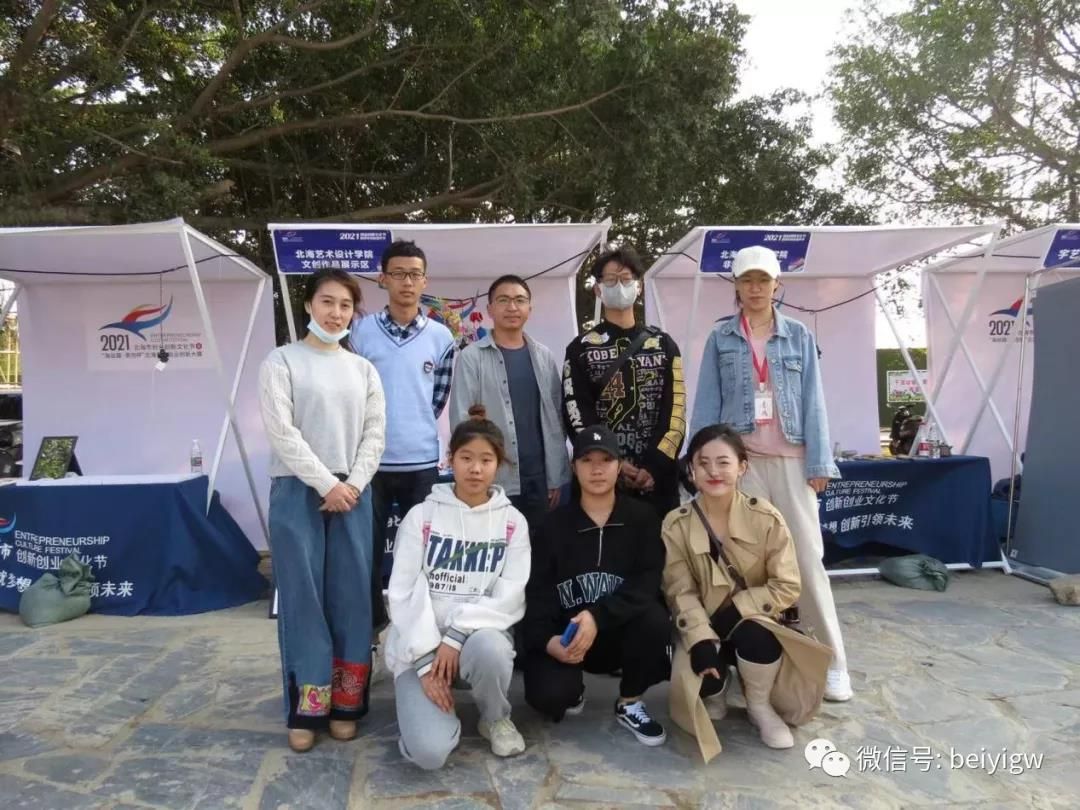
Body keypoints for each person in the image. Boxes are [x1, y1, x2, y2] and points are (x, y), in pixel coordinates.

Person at [690, 245, 852, 702]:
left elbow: (814, 400)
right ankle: (747, 665)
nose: (755, 288)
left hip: (791, 464)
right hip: (740, 466)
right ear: (736, 286)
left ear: (777, 285)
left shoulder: (798, 334)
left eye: (763, 280)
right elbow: (707, 401)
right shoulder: (721, 337)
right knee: (739, 566)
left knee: (806, 561)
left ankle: (833, 662)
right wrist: (700, 461)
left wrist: (818, 462)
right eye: (747, 280)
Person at [258, 268, 386, 753]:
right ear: (309, 304)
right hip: (298, 490)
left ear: (354, 312)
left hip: (354, 491)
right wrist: (326, 483)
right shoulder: (281, 361)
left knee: (352, 596)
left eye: (345, 305)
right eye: (327, 302)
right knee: (303, 597)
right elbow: (281, 431)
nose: (336, 313)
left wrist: (350, 484)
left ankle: (347, 704)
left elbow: (375, 433)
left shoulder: (363, 370)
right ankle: (307, 707)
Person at [662, 424, 831, 762]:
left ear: (742, 467)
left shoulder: (766, 518)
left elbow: (786, 584)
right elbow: (679, 590)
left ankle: (759, 705)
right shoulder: (676, 524)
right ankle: (718, 688)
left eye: (723, 462)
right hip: (704, 623)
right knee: (700, 674)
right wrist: (700, 638)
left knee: (757, 635)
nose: (713, 472)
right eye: (703, 463)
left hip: (752, 622)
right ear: (691, 470)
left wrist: (738, 609)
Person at [386, 407, 531, 769]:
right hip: (419, 646)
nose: (475, 469)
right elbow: (402, 593)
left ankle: (494, 717)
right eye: (466, 458)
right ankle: (430, 713)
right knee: (429, 754)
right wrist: (424, 663)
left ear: (499, 464)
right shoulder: (422, 516)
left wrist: (455, 635)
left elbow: (510, 597)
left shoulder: (512, 522)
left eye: (486, 460)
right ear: (450, 459)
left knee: (492, 648)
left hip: (473, 641)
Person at [521, 424, 671, 747]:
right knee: (549, 697)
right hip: (567, 638)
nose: (597, 469)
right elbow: (537, 593)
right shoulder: (552, 525)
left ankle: (630, 700)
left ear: (619, 466)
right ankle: (571, 689)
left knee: (655, 621)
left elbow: (646, 584)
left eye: (606, 460)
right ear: (574, 468)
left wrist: (596, 616)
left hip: (619, 634)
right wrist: (548, 642)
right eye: (587, 460)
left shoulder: (643, 518)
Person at [350, 240, 456, 634]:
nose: (407, 282)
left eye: (414, 274)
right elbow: (354, 393)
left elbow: (437, 399)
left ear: (425, 280)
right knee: (367, 550)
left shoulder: (441, 337)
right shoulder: (360, 332)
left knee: (422, 551)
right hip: (370, 462)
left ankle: (419, 628)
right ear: (383, 279)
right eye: (398, 274)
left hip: (422, 462)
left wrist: (412, 423)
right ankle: (370, 630)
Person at [562, 246, 686, 518]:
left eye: (626, 279)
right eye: (610, 280)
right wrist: (612, 462)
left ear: (638, 287)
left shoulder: (664, 344)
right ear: (598, 290)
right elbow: (576, 413)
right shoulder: (580, 348)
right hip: (602, 478)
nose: (619, 286)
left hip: (658, 480)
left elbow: (675, 412)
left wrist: (654, 466)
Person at [449, 274, 570, 534]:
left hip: (540, 479)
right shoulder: (472, 357)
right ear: (490, 309)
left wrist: (556, 475)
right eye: (503, 300)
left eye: (519, 300)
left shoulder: (544, 356)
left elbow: (556, 419)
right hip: (495, 479)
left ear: (529, 309)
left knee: (540, 550)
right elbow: (461, 420)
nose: (512, 307)